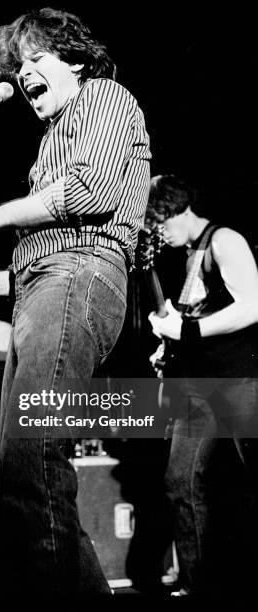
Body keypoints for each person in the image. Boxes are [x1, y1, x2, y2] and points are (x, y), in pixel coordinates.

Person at [0, 7, 151, 598]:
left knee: (33, 463)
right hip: (52, 280)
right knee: (21, 470)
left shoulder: (105, 96)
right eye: (17, 68)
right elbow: (50, 250)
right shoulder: (50, 140)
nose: (23, 76)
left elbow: (93, 190)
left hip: (79, 276)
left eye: (36, 59)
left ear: (76, 60)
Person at [147, 175, 258, 601]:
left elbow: (251, 305)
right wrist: (170, 347)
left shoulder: (223, 240)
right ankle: (197, 586)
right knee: (181, 481)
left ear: (177, 209)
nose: (159, 233)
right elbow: (193, 320)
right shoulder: (187, 253)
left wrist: (187, 332)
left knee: (247, 483)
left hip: (236, 382)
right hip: (199, 387)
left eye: (160, 223)